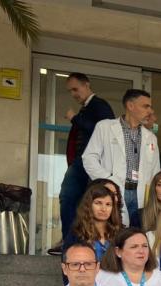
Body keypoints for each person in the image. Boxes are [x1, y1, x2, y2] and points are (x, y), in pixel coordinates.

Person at [82, 89, 161, 228]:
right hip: (113, 191)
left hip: (140, 196)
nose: (150, 110)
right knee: (113, 235)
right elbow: (89, 158)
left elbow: (156, 171)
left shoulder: (151, 137)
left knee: (136, 237)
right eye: (145, 106)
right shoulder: (105, 127)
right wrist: (107, 179)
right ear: (130, 106)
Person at [55, 73, 114, 251]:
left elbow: (104, 131)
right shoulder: (89, 108)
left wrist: (75, 118)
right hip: (82, 162)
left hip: (88, 162)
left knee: (69, 197)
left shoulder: (99, 105)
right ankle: (73, 239)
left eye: (75, 88)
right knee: (76, 201)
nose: (73, 94)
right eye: (70, 91)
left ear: (86, 85)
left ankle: (70, 240)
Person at [62, 182, 122, 263]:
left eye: (108, 204)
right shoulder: (77, 234)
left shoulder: (120, 233)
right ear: (88, 205)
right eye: (98, 203)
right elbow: (68, 266)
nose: (103, 209)